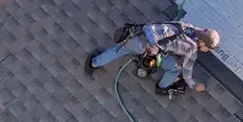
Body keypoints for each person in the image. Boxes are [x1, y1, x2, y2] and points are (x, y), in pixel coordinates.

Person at [86, 21, 220, 95]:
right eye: (207, 48)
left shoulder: (186, 26)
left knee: (117, 51)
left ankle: (94, 63)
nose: (206, 50)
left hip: (139, 34)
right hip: (147, 48)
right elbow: (187, 72)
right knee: (174, 70)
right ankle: (162, 87)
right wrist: (196, 86)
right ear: (202, 42)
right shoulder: (191, 48)